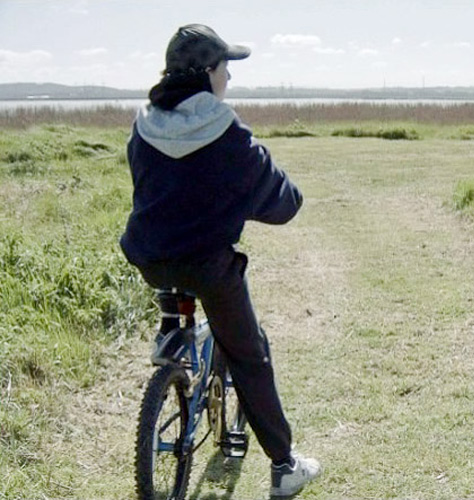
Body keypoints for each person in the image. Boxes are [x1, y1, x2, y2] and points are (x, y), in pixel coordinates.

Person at [120, 24, 320, 497]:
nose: (228, 77)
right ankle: (285, 467)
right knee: (249, 353)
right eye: (226, 68)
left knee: (176, 283)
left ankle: (172, 339)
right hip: (207, 264)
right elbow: (281, 200)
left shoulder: (143, 125)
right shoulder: (225, 130)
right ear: (207, 73)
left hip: (149, 255)